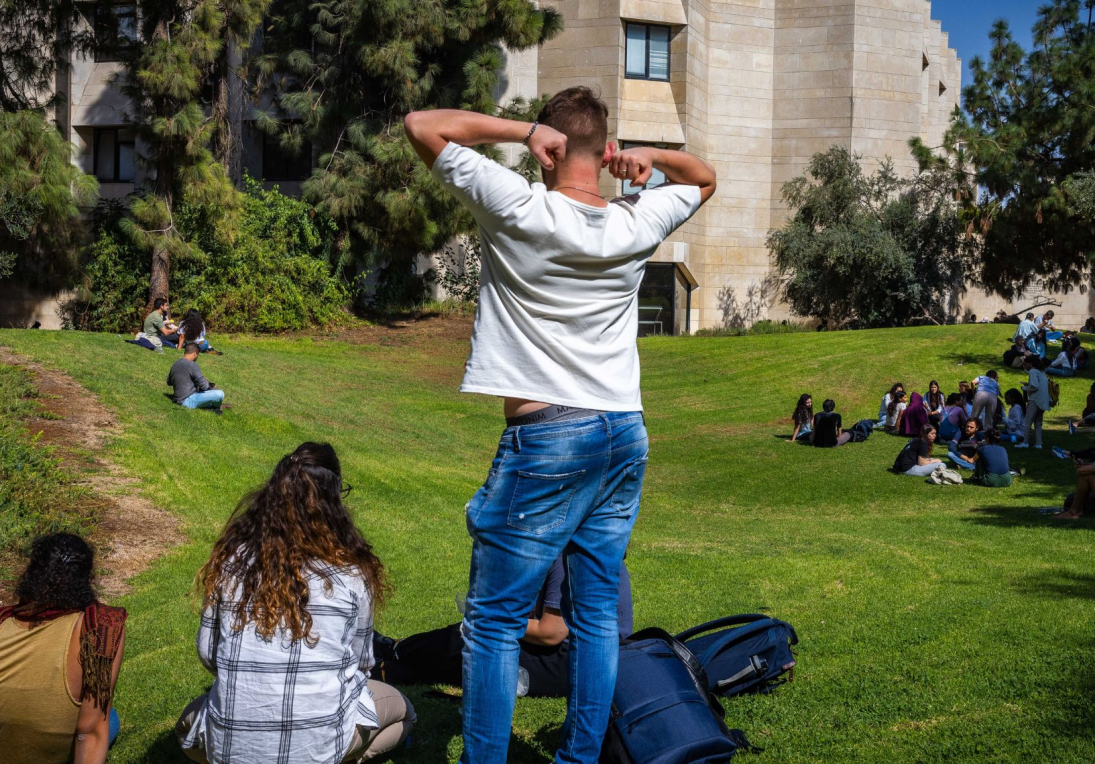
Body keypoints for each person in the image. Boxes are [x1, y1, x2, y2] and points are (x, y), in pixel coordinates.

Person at [405, 86, 715, 764]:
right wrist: (649, 156)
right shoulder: (634, 219)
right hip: (623, 430)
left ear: (549, 148)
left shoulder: (520, 205)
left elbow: (422, 125)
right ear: (605, 151)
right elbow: (703, 177)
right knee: (597, 613)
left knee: (493, 620)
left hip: (548, 434)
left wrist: (521, 131)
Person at [177, 443, 415, 763]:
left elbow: (209, 653)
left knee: (188, 727)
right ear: (333, 502)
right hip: (319, 741)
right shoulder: (352, 574)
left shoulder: (232, 564)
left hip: (231, 747)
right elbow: (361, 662)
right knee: (404, 713)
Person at [373, 554, 633, 699]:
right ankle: (395, 652)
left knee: (473, 645)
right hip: (593, 659)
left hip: (576, 662)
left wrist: (492, 619)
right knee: (469, 636)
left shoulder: (566, 554)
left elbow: (551, 632)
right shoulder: (584, 545)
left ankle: (388, 665)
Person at [0, 533, 127, 764]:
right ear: (86, 578)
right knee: (110, 719)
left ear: (31, 573)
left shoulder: (4, 620)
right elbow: (89, 733)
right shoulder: (99, 627)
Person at [166, 344, 225, 411]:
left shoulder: (175, 364)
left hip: (178, 398)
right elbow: (204, 386)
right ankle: (217, 407)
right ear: (195, 353)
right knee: (220, 394)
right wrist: (213, 387)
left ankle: (211, 406)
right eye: (197, 355)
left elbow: (169, 382)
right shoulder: (192, 364)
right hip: (188, 400)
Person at [1015, 355, 1051, 449]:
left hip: (1035, 400)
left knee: (1027, 422)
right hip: (1044, 401)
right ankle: (1038, 444)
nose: (1024, 366)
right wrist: (1028, 385)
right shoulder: (1042, 372)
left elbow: (1035, 386)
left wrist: (1025, 388)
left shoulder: (1033, 371)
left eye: (1025, 364)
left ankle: (1025, 442)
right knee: (1038, 423)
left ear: (1031, 364)